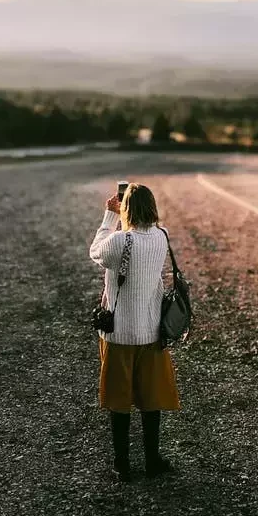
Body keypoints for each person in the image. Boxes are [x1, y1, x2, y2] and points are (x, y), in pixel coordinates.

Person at [89, 183, 181, 482]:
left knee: (119, 401)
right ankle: (153, 461)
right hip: (152, 333)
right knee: (151, 400)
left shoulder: (119, 241)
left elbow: (95, 252)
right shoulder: (162, 236)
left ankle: (122, 464)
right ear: (152, 206)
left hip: (120, 336)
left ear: (125, 208)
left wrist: (108, 216)